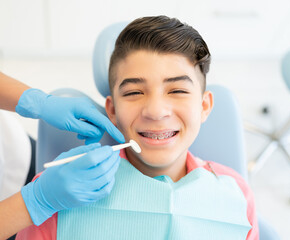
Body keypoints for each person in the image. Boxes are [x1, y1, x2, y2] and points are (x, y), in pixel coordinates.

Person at [16, 16, 259, 239]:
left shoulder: (236, 194)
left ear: (204, 106)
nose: (155, 111)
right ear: (112, 110)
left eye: (177, 91)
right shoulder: (58, 193)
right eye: (134, 92)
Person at [0, 1, 125, 239]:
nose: (156, 112)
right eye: (135, 92)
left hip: (7, 155)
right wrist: (36, 201)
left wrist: (35, 101)